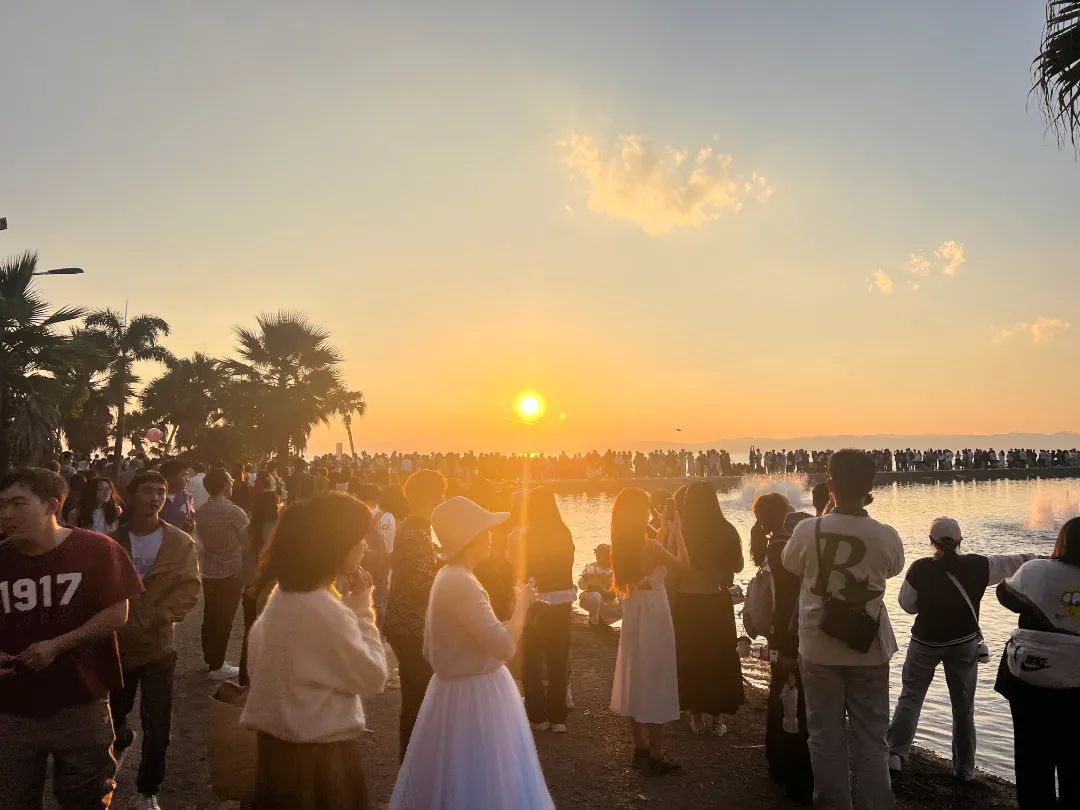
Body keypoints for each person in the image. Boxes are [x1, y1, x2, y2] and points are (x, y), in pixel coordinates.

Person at [388, 496, 553, 809]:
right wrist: (522, 606)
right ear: (471, 538)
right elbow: (504, 646)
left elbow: (433, 646)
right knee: (486, 778)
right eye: (486, 530)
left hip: (452, 693)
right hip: (476, 696)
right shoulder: (462, 582)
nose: (491, 535)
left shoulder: (447, 576)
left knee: (456, 778)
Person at [0, 468, 144, 810]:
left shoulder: (97, 550)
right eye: (1, 505)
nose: (6, 514)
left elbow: (117, 613)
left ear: (52, 505)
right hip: (11, 709)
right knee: (12, 799)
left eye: (18, 503)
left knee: (86, 798)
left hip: (81, 701)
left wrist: (57, 645)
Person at [241, 492, 387, 809]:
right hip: (319, 760)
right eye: (359, 539)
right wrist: (362, 611)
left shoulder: (282, 595)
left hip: (277, 754)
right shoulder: (321, 607)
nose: (365, 547)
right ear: (336, 545)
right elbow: (374, 677)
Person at [781, 449, 905, 810]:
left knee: (824, 737)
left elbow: (791, 565)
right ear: (870, 486)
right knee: (872, 739)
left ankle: (833, 803)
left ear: (830, 482)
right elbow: (893, 569)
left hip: (818, 647)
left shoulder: (808, 530)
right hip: (869, 647)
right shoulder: (886, 536)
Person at [888, 517, 1036, 782]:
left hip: (925, 643)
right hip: (964, 644)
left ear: (931, 541)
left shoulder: (920, 568)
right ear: (960, 541)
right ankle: (965, 769)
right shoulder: (979, 565)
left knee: (911, 697)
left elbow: (907, 605)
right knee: (963, 706)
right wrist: (1046, 558)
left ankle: (895, 755)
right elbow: (1015, 562)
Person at [110, 470, 201, 810]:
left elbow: (189, 589)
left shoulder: (179, 542)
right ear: (131, 496)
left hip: (158, 647)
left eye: (160, 492)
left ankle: (148, 789)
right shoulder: (110, 542)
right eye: (147, 491)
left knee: (158, 727)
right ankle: (117, 748)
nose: (155, 498)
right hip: (116, 647)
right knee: (112, 717)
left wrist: (153, 617)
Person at [994, 517, 1080, 808]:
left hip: (1029, 682)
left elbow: (1005, 597)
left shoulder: (1036, 570)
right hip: (1077, 687)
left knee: (1032, 762)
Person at [609, 487, 690, 774]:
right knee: (657, 675)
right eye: (646, 509)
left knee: (637, 673)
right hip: (655, 613)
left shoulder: (620, 547)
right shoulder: (651, 548)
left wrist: (664, 525)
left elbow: (651, 546)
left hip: (634, 612)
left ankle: (640, 747)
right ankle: (656, 752)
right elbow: (684, 565)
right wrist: (677, 531)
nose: (649, 513)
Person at [751, 493, 814, 802]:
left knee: (781, 695)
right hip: (789, 634)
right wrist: (792, 643)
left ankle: (777, 762)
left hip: (778, 634)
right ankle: (795, 772)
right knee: (794, 700)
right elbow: (791, 599)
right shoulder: (783, 550)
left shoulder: (772, 547)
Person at [672, 481, 745, 736]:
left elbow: (672, 567)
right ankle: (717, 718)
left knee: (691, 656)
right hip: (716, 601)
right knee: (718, 657)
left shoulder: (682, 531)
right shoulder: (726, 530)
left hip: (687, 601)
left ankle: (695, 715)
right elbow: (738, 566)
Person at [384, 469, 446, 761]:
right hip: (410, 626)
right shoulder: (414, 532)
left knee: (418, 696)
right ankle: (412, 763)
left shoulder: (417, 528)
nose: (442, 500)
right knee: (418, 698)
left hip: (407, 624)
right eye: (440, 495)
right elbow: (423, 583)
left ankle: (413, 761)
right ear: (430, 497)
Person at [517, 488, 576, 734]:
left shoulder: (529, 535)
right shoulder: (564, 532)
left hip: (537, 602)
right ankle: (558, 717)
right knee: (557, 659)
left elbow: (523, 569)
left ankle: (537, 717)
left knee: (532, 659)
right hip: (562, 602)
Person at [194, 468, 250, 680]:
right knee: (224, 618)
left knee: (210, 615)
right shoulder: (234, 511)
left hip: (209, 570)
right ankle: (217, 665)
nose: (233, 482)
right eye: (230, 480)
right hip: (231, 571)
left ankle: (211, 659)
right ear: (225, 485)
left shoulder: (201, 511)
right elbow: (247, 541)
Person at [238, 490, 280, 687]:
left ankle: (245, 677)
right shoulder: (278, 532)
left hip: (250, 588)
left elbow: (243, 562)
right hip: (270, 588)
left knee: (250, 631)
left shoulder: (246, 531)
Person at [366, 485, 409, 631]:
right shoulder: (393, 519)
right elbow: (390, 547)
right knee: (381, 599)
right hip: (383, 564)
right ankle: (379, 629)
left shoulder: (374, 512)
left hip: (369, 560)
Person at [578, 543, 622, 627]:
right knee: (595, 597)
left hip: (610, 601)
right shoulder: (591, 567)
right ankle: (594, 622)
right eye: (596, 554)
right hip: (593, 599)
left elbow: (620, 590)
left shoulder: (616, 569)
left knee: (626, 605)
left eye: (601, 554)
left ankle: (604, 622)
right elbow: (581, 585)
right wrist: (586, 580)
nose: (598, 557)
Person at [159, 460, 196, 534]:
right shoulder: (156, 498)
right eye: (184, 475)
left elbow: (192, 520)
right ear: (170, 477)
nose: (187, 479)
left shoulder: (187, 497)